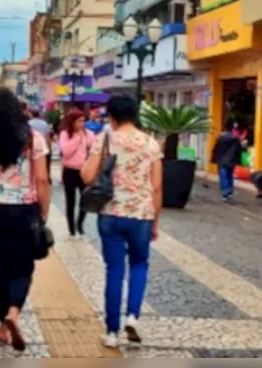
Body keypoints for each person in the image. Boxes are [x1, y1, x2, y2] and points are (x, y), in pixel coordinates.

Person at [0, 88, 51, 352]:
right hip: (23, 209)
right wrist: (43, 211)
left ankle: (2, 327)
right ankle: (13, 314)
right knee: (22, 266)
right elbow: (41, 179)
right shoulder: (32, 137)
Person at [81, 94, 162, 349]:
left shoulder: (106, 140)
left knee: (114, 271)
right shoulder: (150, 144)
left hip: (111, 213)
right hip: (141, 216)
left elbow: (86, 175)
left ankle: (112, 332)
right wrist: (155, 221)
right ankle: (133, 316)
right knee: (139, 264)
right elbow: (157, 187)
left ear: (112, 117)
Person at [59, 108, 94, 237]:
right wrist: (77, 139)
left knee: (85, 199)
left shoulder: (88, 133)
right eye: (79, 121)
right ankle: (71, 227)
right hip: (69, 171)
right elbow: (66, 152)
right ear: (72, 122)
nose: (82, 124)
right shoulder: (65, 134)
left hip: (83, 170)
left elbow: (94, 147)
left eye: (83, 121)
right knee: (70, 201)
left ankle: (80, 223)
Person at [211, 119, 244, 202]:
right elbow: (238, 150)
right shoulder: (236, 139)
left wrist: (213, 159)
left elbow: (215, 149)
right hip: (231, 160)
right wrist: (239, 161)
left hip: (221, 160)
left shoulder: (220, 138)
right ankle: (229, 192)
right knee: (230, 176)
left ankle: (225, 193)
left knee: (223, 176)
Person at [26, 107, 52, 185]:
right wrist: (49, 148)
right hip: (43, 148)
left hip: (32, 148)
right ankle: (47, 177)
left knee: (33, 166)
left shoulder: (28, 123)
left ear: (31, 114)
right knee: (45, 165)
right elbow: (47, 137)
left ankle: (33, 180)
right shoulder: (44, 124)